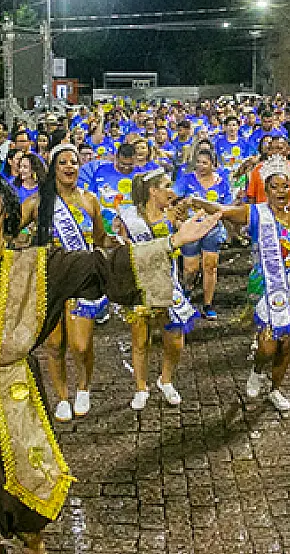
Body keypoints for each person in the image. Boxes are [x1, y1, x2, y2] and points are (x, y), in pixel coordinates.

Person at [0, 169, 217, 553]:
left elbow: (101, 267)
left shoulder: (36, 265)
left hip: (16, 398)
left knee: (26, 505)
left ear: (6, 211)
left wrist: (175, 241)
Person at [188, 147, 290, 411]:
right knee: (268, 344)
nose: (281, 191)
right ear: (267, 188)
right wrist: (196, 201)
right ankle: (258, 369)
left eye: (285, 186)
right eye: (275, 187)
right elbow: (223, 210)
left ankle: (275, 389)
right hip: (265, 286)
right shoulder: (255, 213)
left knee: (286, 345)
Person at [29, 145, 110, 422]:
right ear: (53, 168)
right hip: (50, 279)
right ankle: (62, 396)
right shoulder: (39, 202)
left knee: (81, 345)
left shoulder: (90, 201)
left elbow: (101, 239)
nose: (69, 166)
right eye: (62, 162)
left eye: (73, 162)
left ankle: (83, 387)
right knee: (54, 345)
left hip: (83, 280)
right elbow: (12, 231)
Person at [114, 168, 198, 410]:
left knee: (175, 339)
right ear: (153, 191)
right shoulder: (129, 218)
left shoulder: (173, 215)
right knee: (141, 341)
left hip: (167, 285)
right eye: (166, 186)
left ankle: (166, 379)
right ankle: (141, 387)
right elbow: (119, 246)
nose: (171, 191)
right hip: (140, 286)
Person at [174, 148, 232, 319]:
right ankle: (188, 289)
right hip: (190, 230)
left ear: (213, 165)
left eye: (204, 162)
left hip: (213, 230)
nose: (200, 166)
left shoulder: (222, 182)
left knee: (210, 267)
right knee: (190, 268)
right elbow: (173, 198)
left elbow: (227, 206)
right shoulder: (186, 179)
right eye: (198, 162)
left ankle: (208, 305)